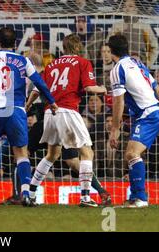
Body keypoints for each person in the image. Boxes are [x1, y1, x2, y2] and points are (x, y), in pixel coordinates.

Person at [0, 27, 58, 207]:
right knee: (21, 153)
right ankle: (25, 192)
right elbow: (40, 82)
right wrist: (52, 101)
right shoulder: (23, 60)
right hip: (16, 110)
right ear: (15, 43)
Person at [28, 34, 107, 207]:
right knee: (87, 153)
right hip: (68, 111)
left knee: (52, 155)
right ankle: (86, 197)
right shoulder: (82, 62)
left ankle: (30, 194)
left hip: (50, 112)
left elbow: (36, 90)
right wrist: (102, 89)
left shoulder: (51, 65)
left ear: (64, 48)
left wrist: (26, 107)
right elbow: (88, 87)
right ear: (78, 47)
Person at [108, 34, 159, 208]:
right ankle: (136, 196)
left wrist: (114, 129)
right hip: (153, 112)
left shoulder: (117, 69)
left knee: (131, 154)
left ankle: (141, 198)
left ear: (111, 51)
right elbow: (157, 88)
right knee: (132, 154)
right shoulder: (137, 63)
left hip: (147, 115)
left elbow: (119, 101)